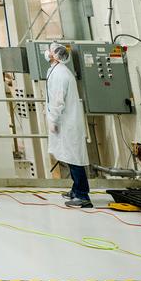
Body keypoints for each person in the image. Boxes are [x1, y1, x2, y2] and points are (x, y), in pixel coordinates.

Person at [45, 43, 92, 207]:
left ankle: (83, 195)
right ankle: (76, 189)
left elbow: (58, 100)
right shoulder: (56, 71)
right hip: (65, 121)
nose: (47, 52)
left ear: (56, 56)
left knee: (74, 158)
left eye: (50, 50)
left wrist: (53, 119)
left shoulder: (61, 74)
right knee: (69, 156)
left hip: (67, 123)